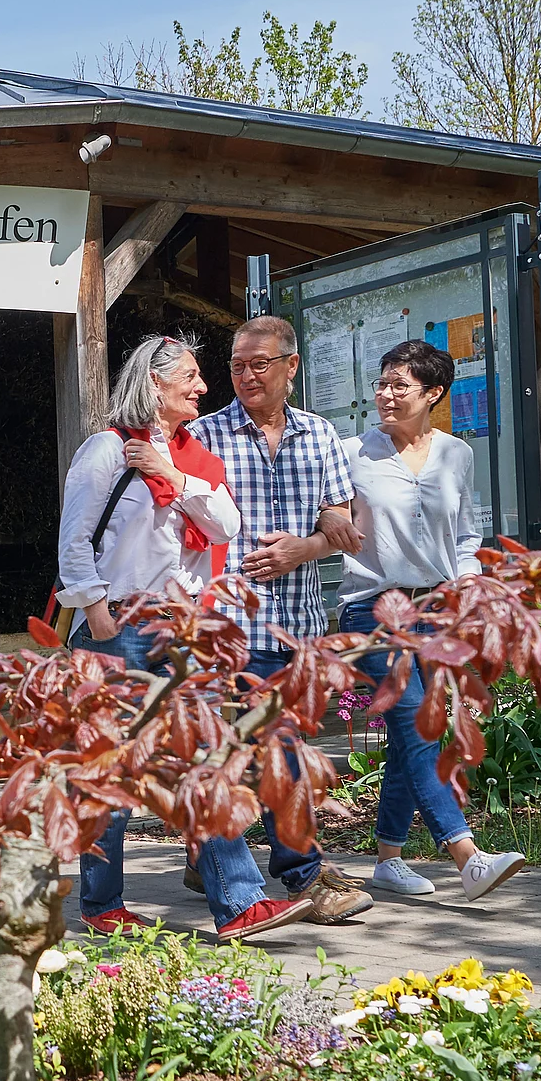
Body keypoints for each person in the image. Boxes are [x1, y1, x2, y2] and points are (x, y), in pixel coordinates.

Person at [57, 335, 307, 944]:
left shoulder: (191, 455)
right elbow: (73, 542)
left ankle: (239, 905)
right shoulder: (107, 451)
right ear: (154, 382)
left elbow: (226, 523)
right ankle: (102, 905)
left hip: (183, 626)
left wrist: (172, 474)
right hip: (122, 626)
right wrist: (97, 611)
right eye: (191, 377)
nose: (202, 387)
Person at [189, 314, 375, 926]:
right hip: (222, 625)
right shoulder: (204, 437)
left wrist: (305, 548)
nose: (246, 375)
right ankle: (304, 874)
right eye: (238, 364)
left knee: (276, 747)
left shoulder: (321, 436)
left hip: (293, 624)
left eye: (259, 363)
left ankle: (223, 853)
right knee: (257, 751)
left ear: (291, 367)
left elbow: (340, 527)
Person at [338, 339, 527, 903]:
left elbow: (465, 534)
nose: (385, 395)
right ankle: (466, 856)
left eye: (400, 386)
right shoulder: (351, 452)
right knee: (418, 728)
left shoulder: (456, 454)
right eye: (382, 383)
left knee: (408, 737)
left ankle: (388, 858)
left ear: (433, 393)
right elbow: (330, 520)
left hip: (437, 608)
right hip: (373, 607)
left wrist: (467, 584)